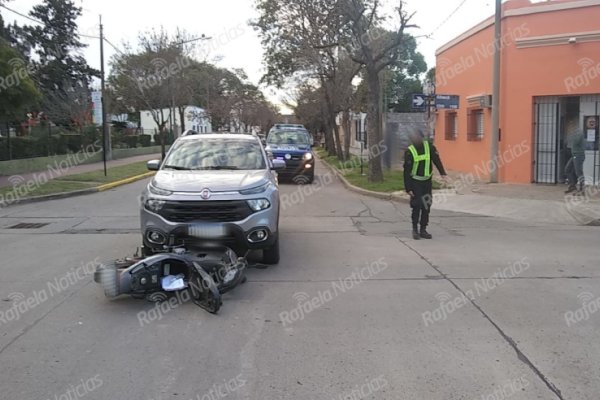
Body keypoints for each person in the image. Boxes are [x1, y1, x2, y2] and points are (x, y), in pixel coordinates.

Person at [403, 129, 449, 240]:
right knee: (416, 205)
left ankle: (423, 229)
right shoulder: (410, 151)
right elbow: (406, 171)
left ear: (421, 137)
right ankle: (415, 230)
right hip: (415, 182)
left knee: (426, 206)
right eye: (413, 137)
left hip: (427, 182)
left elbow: (436, 160)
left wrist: (443, 173)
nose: (415, 139)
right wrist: (408, 188)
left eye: (417, 136)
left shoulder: (429, 147)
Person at [564, 120, 586, 194]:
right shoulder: (573, 133)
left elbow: (576, 142)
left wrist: (571, 136)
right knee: (567, 169)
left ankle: (582, 189)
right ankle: (572, 185)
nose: (569, 128)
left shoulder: (579, 133)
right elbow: (568, 143)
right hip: (574, 155)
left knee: (578, 172)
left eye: (570, 126)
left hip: (579, 155)